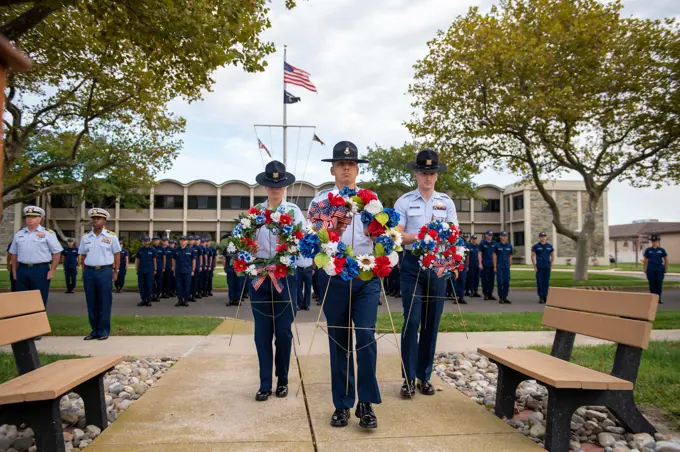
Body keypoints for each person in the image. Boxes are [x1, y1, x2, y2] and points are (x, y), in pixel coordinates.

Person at [312, 141, 381, 429]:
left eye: (351, 165)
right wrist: (334, 229)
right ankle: (341, 404)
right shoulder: (321, 201)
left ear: (357, 169)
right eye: (341, 165)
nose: (346, 169)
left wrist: (378, 233)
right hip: (334, 277)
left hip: (365, 277)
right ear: (333, 169)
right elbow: (316, 238)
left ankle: (365, 403)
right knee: (339, 342)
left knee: (365, 337)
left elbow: (385, 234)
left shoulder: (371, 199)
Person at [395, 148, 458, 400]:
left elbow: (454, 234)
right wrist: (424, 235)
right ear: (415, 174)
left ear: (437, 176)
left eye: (432, 173)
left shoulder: (446, 202)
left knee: (432, 323)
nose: (428, 177)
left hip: (438, 266)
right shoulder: (405, 201)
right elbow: (398, 235)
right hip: (412, 265)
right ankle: (408, 379)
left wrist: (444, 244)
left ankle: (424, 377)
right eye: (423, 172)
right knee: (411, 321)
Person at [250, 160, 303, 402]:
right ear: (264, 187)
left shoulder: (294, 212)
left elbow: (302, 244)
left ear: (285, 186)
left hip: (285, 278)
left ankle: (282, 379)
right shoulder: (255, 213)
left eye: (279, 185)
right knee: (262, 334)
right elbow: (246, 243)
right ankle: (264, 383)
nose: (275, 189)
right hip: (260, 278)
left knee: (282, 332)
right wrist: (249, 252)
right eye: (271, 185)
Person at [78, 208, 121, 341]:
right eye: (94, 218)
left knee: (104, 301)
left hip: (105, 271)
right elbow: (83, 255)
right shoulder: (86, 237)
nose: (95, 220)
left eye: (99, 218)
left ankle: (103, 330)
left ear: (104, 221)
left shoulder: (111, 236)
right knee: (91, 301)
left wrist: (116, 271)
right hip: (89, 271)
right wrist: (83, 272)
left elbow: (117, 254)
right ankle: (94, 330)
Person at [9, 206, 63, 310]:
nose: (29, 219)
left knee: (39, 300)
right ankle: (23, 324)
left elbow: (56, 252)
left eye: (33, 217)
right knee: (21, 300)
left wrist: (52, 270)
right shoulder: (19, 234)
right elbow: (14, 254)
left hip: (40, 270)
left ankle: (37, 324)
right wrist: (14, 270)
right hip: (22, 269)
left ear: (40, 219)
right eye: (28, 216)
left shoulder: (48, 233)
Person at [643, 235, 668, 304]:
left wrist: (666, 267)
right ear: (651, 242)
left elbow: (666, 258)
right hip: (650, 269)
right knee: (652, 284)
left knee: (659, 284)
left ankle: (658, 298)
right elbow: (645, 259)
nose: (654, 242)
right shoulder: (648, 250)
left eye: (655, 241)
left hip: (659, 269)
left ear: (657, 241)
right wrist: (644, 268)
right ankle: (652, 298)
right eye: (653, 241)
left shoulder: (661, 250)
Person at [172, 235, 196, 307]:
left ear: (187, 241)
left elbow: (193, 260)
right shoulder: (176, 250)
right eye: (181, 240)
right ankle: (180, 300)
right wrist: (173, 268)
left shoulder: (190, 250)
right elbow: (173, 259)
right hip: (178, 271)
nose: (182, 241)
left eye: (184, 240)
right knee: (178, 286)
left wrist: (193, 270)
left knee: (187, 286)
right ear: (179, 241)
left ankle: (185, 300)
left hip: (187, 271)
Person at [531, 232, 554, 304]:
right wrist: (534, 266)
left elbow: (552, 255)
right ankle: (541, 297)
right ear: (539, 237)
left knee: (546, 282)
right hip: (539, 267)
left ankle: (545, 296)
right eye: (541, 236)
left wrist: (551, 264)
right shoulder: (536, 246)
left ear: (546, 237)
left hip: (547, 267)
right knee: (540, 282)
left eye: (544, 236)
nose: (543, 238)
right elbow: (532, 256)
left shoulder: (549, 246)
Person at [135, 236, 157, 306]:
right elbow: (138, 260)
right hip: (141, 269)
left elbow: (154, 260)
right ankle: (143, 299)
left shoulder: (152, 249)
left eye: (147, 241)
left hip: (150, 270)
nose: (146, 242)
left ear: (149, 241)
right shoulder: (140, 249)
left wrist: (155, 269)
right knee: (141, 285)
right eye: (145, 241)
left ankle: (148, 299)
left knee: (149, 284)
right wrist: (137, 268)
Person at [494, 232, 513, 304]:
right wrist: (495, 266)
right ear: (500, 237)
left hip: (506, 266)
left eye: (505, 236)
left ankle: (505, 297)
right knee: (500, 282)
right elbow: (494, 255)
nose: (504, 237)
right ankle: (500, 297)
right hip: (499, 266)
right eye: (502, 236)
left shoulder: (509, 245)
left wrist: (510, 262)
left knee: (506, 282)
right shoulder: (497, 245)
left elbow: (510, 255)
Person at [478, 231, 497, 300]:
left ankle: (490, 294)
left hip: (492, 264)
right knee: (485, 280)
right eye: (489, 235)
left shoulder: (494, 243)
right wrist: (480, 263)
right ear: (486, 235)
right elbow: (479, 253)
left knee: (491, 280)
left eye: (491, 235)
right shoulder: (482, 243)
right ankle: (485, 294)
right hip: (485, 264)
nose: (490, 236)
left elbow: (496, 254)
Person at [452, 233, 468, 304]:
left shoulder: (464, 244)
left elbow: (467, 255)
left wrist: (467, 266)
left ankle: (461, 297)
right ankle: (456, 297)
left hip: (462, 264)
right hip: (455, 265)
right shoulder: (452, 242)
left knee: (462, 280)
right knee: (456, 281)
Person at [151, 235, 165, 301]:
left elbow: (164, 258)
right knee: (152, 282)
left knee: (159, 282)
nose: (156, 241)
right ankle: (152, 295)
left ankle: (158, 295)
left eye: (157, 240)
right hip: (152, 268)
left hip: (160, 268)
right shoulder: (150, 248)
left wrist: (163, 267)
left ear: (159, 241)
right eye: (154, 240)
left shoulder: (162, 248)